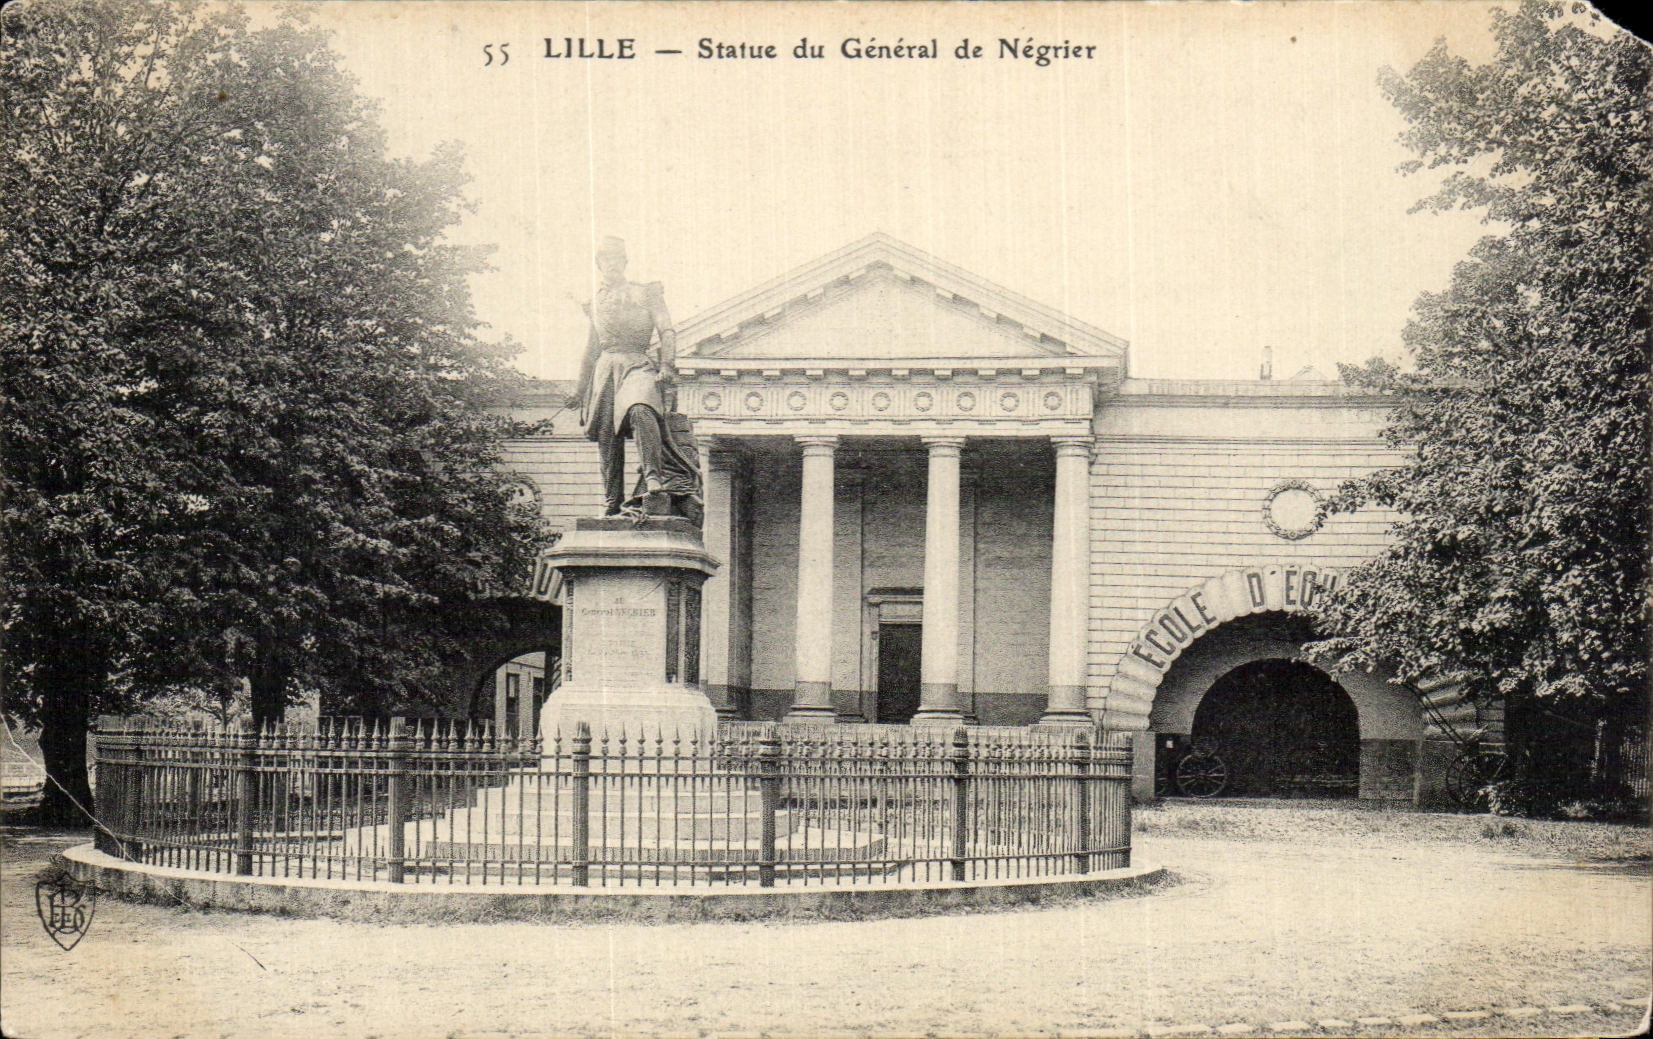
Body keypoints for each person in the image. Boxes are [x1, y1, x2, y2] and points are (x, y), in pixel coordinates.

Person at [574, 237, 702, 523]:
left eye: (617, 258)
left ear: (624, 262)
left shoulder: (646, 293)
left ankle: (653, 480)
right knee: (608, 436)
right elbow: (590, 351)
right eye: (605, 259)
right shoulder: (596, 303)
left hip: (637, 362)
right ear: (599, 264)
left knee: (641, 410)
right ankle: (612, 502)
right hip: (606, 368)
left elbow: (667, 330)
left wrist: (667, 365)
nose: (611, 264)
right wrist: (578, 390)